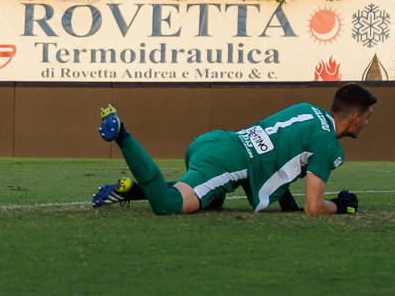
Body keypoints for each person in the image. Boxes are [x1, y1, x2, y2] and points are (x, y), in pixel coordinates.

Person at [92, 83, 376, 215]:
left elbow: (277, 155)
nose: (366, 124)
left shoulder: (307, 110)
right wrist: (341, 206)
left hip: (216, 142)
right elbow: (314, 208)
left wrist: (287, 204)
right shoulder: (328, 145)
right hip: (228, 162)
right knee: (168, 205)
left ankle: (134, 188)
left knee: (212, 201)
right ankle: (122, 134)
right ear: (355, 118)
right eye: (367, 118)